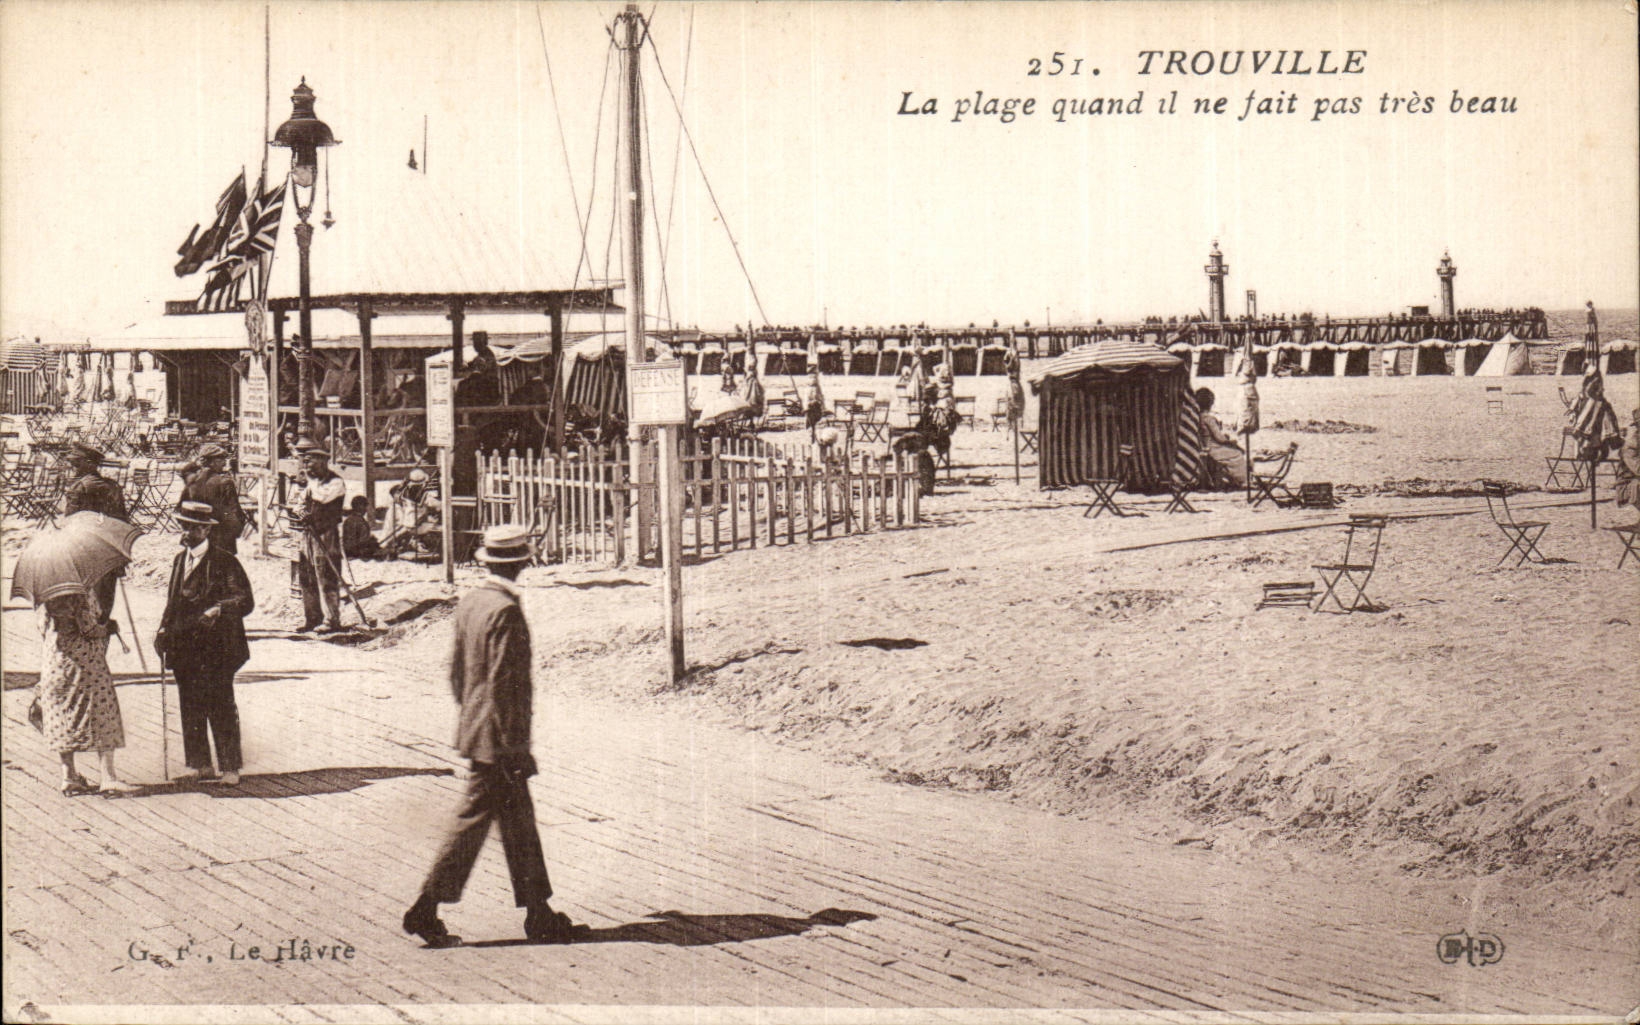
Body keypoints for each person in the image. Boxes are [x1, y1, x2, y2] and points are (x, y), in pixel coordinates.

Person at [402, 525, 578, 948]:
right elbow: (506, 684)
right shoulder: (505, 611)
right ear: (520, 563)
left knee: (519, 824)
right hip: (500, 739)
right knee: (473, 822)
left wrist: (472, 721)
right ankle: (424, 909)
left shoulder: (473, 602)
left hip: (479, 729)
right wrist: (511, 744)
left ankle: (539, 913)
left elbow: (458, 673)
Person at [155, 501, 255, 786]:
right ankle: (200, 764)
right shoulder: (179, 560)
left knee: (220, 704)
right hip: (185, 645)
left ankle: (230, 766)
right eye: (182, 525)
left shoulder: (224, 561)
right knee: (190, 703)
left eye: (190, 527)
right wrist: (163, 631)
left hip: (218, 647)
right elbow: (173, 601)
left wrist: (219, 608)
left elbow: (244, 600)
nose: (184, 532)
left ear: (204, 529)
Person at [35, 590, 136, 795]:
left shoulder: (44, 597)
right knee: (103, 712)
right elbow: (89, 630)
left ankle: (69, 776)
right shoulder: (78, 594)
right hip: (84, 665)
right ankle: (108, 777)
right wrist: (108, 627)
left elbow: (43, 628)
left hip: (55, 663)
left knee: (61, 718)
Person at [61, 442, 129, 634]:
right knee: (103, 609)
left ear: (90, 464)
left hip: (84, 558)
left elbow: (70, 525)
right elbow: (124, 522)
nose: (73, 469)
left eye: (77, 464)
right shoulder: (113, 486)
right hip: (110, 555)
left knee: (84, 612)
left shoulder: (79, 488)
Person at [293, 439, 346, 633]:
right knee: (306, 576)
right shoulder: (312, 482)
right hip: (308, 533)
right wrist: (300, 510)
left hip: (326, 534)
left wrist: (308, 484)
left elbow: (322, 498)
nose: (307, 467)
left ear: (323, 462)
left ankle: (332, 620)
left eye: (310, 462)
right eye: (305, 462)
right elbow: (298, 503)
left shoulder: (336, 482)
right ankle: (312, 618)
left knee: (326, 575)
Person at [180, 443, 246, 554]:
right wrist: (236, 531)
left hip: (197, 538)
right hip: (221, 539)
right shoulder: (225, 482)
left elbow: (181, 509)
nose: (225, 463)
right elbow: (235, 513)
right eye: (221, 460)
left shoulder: (192, 481)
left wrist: (193, 529)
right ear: (212, 462)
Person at [1195, 388, 1248, 490]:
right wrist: (1231, 441)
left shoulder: (1198, 417)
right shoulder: (1209, 419)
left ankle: (1233, 479)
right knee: (1238, 454)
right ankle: (1241, 481)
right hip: (1213, 448)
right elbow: (1219, 438)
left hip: (1205, 446)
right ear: (1211, 403)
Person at [341, 495, 383, 561]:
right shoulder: (359, 521)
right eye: (365, 506)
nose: (366, 509)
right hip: (357, 553)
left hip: (349, 552)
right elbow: (361, 542)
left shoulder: (349, 519)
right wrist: (372, 543)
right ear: (359, 507)